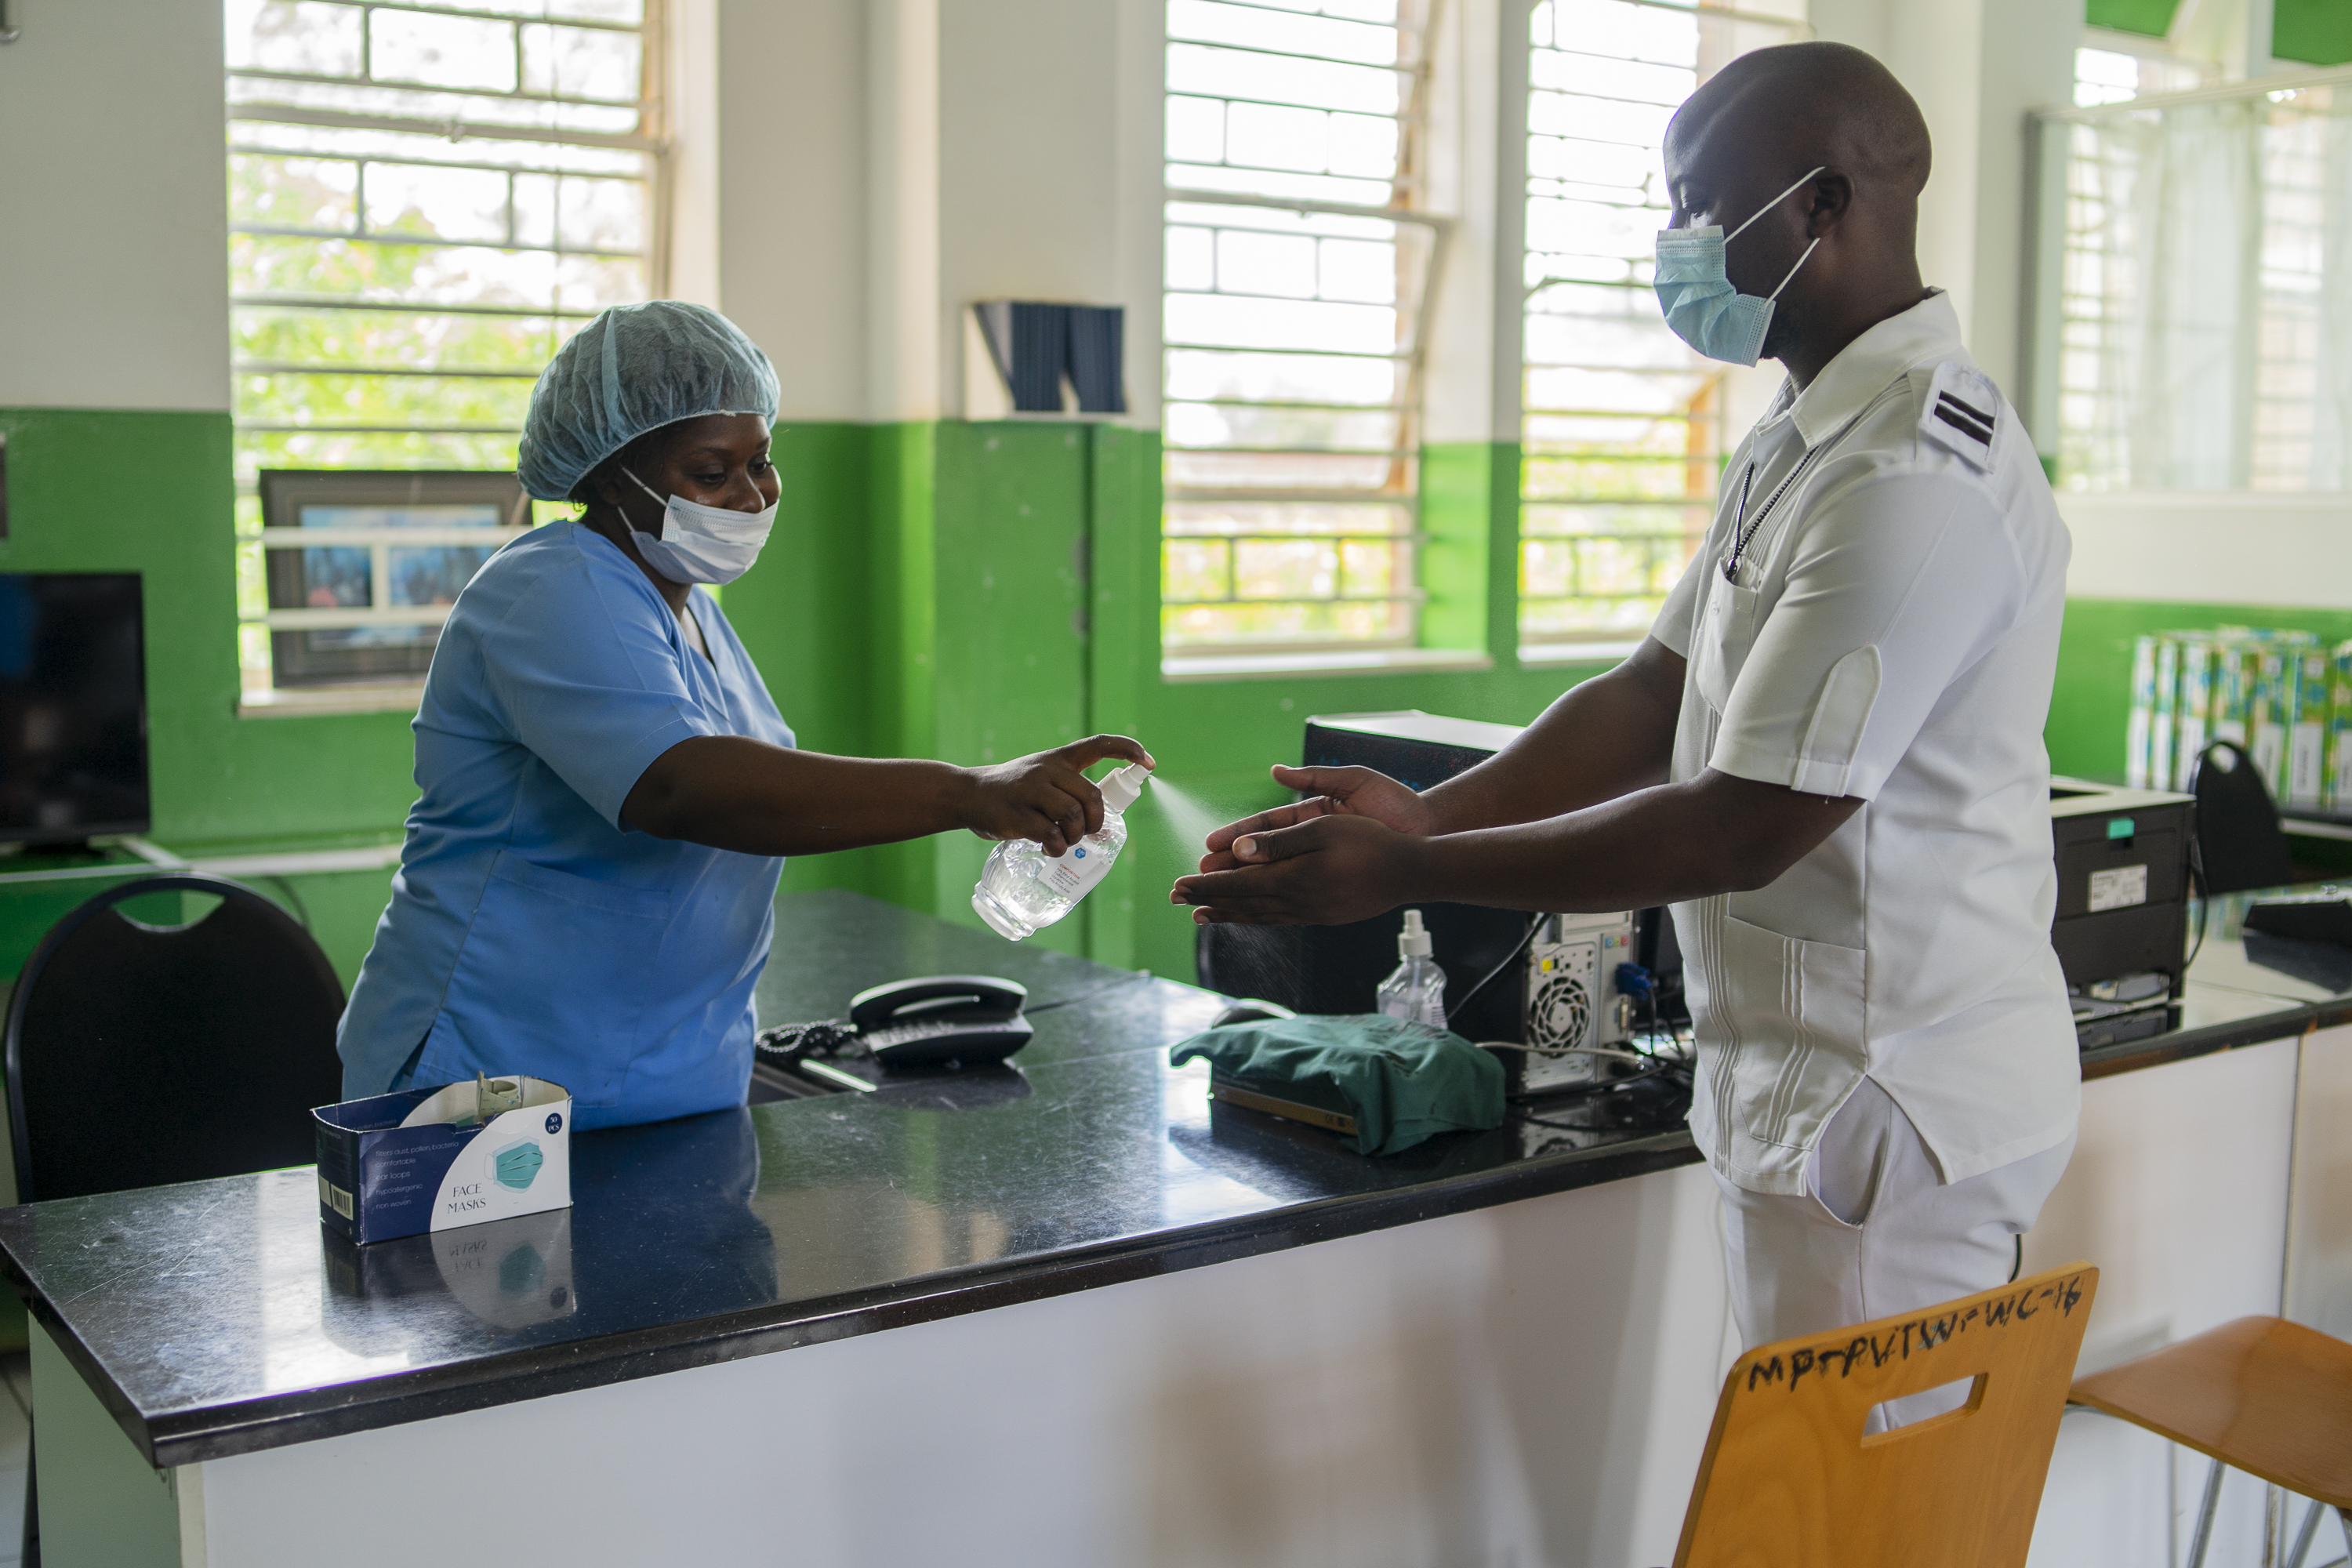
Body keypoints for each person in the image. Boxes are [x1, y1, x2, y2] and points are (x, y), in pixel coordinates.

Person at [1171, 42, 2075, 1416]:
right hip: (1811, 1090)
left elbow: (1746, 826)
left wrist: (1410, 873)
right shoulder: (1806, 435)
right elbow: (1653, 695)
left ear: (1823, 204)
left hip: (1894, 1107)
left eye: (1700, 203)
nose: (1676, 241)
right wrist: (1428, 814)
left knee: (1857, 1508)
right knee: (1804, 1497)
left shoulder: (1913, 475)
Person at [339, 301, 1149, 1129]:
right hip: (494, 1068)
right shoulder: (549, 589)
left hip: (670, 1070)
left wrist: (979, 795)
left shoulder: (688, 609)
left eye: (760, 461)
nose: (752, 494)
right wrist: (966, 793)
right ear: (611, 477)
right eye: (711, 472)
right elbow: (684, 789)